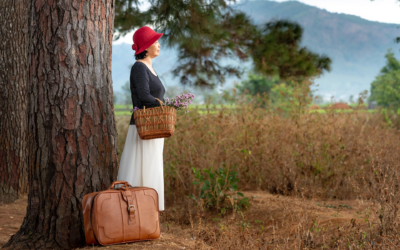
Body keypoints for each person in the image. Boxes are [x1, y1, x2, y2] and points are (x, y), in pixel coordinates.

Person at [116, 26, 166, 212]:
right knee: (140, 169)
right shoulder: (139, 67)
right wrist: (163, 106)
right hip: (142, 127)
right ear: (146, 46)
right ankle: (133, 213)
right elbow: (144, 96)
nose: (159, 45)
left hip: (153, 127)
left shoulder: (150, 67)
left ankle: (148, 214)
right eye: (155, 41)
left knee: (151, 168)